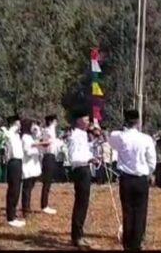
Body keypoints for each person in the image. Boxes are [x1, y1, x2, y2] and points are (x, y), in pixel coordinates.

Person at [108, 109, 156, 251]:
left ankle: (127, 243)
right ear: (138, 121)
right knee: (140, 211)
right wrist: (149, 172)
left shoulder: (120, 137)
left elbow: (111, 139)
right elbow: (152, 161)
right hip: (141, 178)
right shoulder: (146, 138)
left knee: (128, 211)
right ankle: (137, 241)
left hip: (126, 179)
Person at [68, 106, 94, 248]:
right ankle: (76, 236)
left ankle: (80, 233)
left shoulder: (83, 135)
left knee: (84, 204)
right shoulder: (74, 136)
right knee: (80, 204)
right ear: (78, 121)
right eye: (85, 118)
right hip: (80, 170)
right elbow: (74, 157)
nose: (88, 121)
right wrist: (88, 159)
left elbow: (84, 152)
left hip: (86, 169)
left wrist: (92, 158)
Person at [21, 119, 47, 218]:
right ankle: (25, 210)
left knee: (29, 188)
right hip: (28, 166)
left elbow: (36, 140)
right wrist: (37, 148)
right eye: (32, 125)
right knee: (26, 190)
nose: (33, 127)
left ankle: (27, 208)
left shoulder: (30, 137)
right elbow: (27, 151)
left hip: (33, 166)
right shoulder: (25, 137)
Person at [3, 115, 25, 228]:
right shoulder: (10, 134)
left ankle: (13, 214)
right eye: (18, 123)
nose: (20, 125)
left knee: (16, 190)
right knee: (13, 190)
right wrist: (13, 126)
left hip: (18, 162)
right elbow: (7, 134)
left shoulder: (16, 136)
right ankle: (10, 217)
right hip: (13, 162)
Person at [39, 114, 60, 214]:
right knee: (46, 182)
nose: (57, 123)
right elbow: (46, 142)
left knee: (48, 182)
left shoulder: (51, 130)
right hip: (48, 156)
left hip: (51, 156)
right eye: (55, 121)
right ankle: (44, 205)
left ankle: (45, 203)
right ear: (52, 121)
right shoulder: (48, 130)